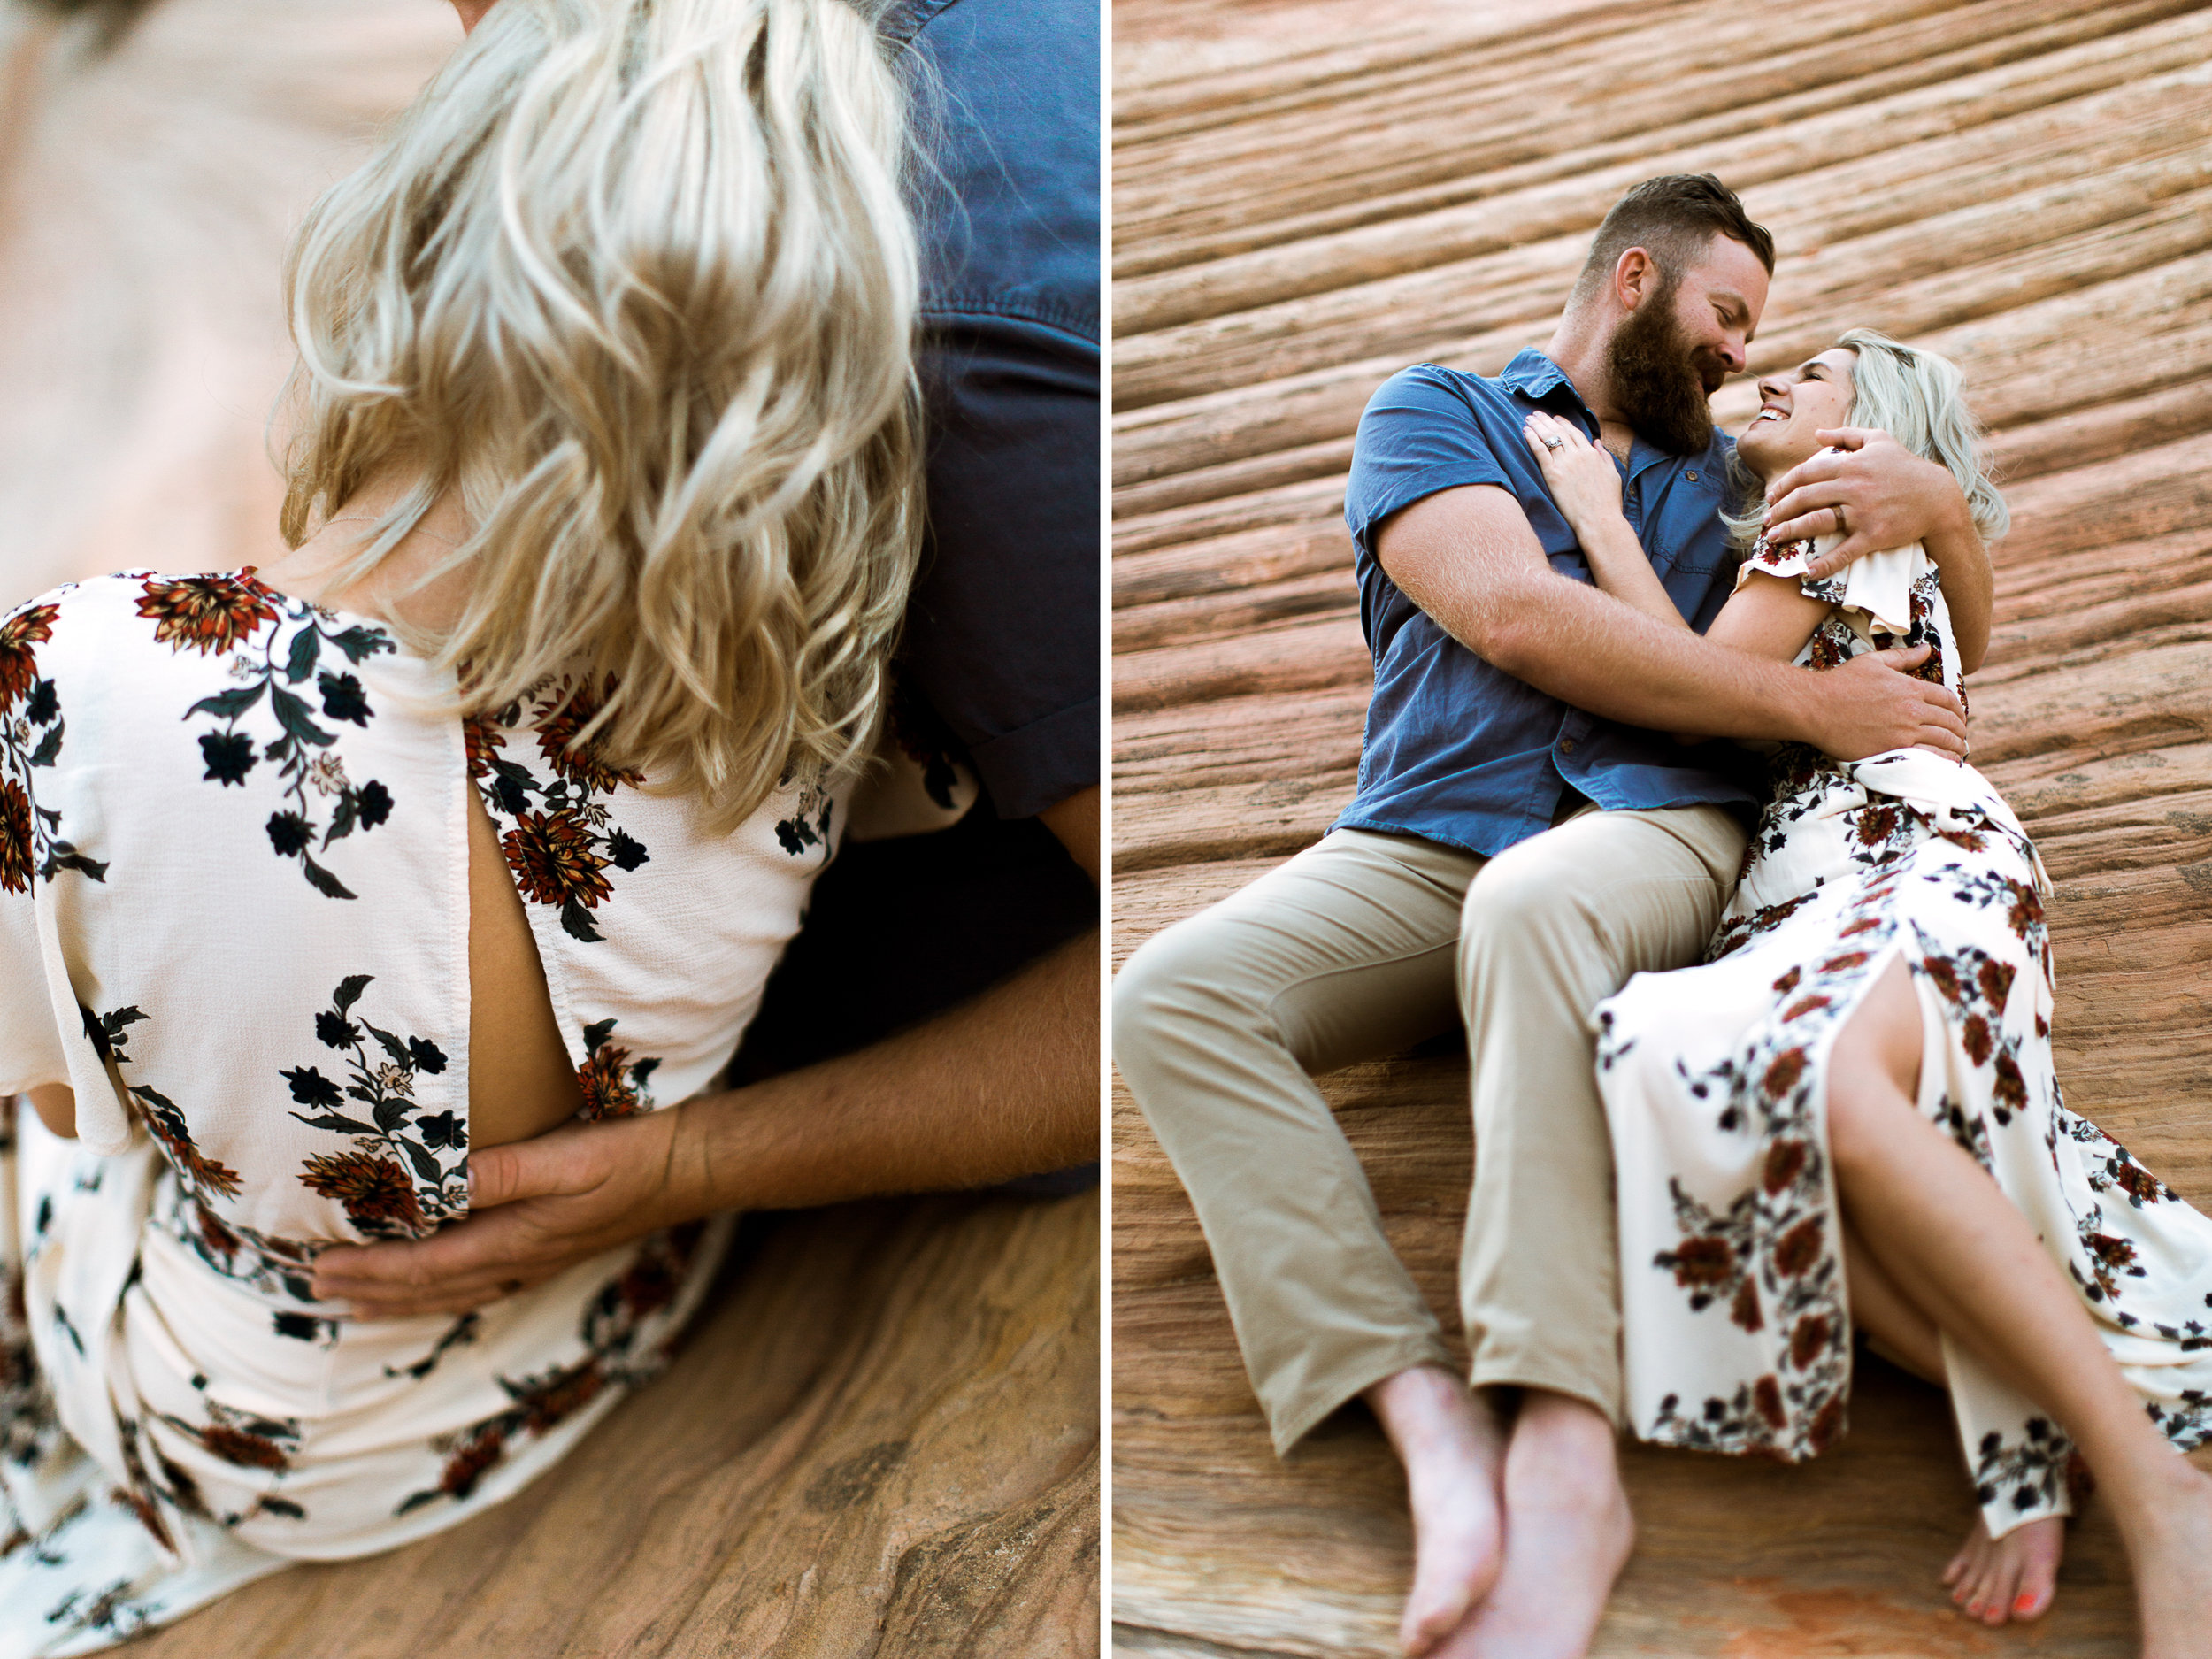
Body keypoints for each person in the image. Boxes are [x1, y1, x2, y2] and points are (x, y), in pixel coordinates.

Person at [0, 0, 932, 1647]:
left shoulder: (126, 682)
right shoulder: (818, 643)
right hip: (596, 1312)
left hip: (251, 1426)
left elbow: (78, 1116)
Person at [1114, 175, 1996, 1659]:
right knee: (1168, 998)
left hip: (1657, 830)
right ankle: (1417, 1411)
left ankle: (1564, 1452)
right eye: (1727, 317)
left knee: (1532, 904)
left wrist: (1943, 506)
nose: (1736, 356)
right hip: (1420, 838)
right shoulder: (1440, 410)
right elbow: (1516, 613)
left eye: (1760, 339)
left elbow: (1914, 610)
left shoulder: (1736, 476)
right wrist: (1804, 706)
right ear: (1634, 276)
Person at [306, 0, 1102, 1325]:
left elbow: (1166, 970)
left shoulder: (972, 366)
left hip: (892, 1073)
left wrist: (691, 1167)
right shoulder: (699, 126)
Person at [1532, 332, 2212, 1652]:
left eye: (1820, 370)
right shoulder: (1884, 516)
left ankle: (2157, 1494)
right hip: (1820, 886)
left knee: (1820, 1088)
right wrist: (1952, 521)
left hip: (1898, 851)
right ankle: (2039, 1444)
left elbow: (1692, 697)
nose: (1775, 379)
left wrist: (1598, 518)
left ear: (1881, 417)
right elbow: (1956, 642)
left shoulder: (1834, 500)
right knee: (1729, 1106)